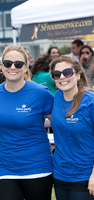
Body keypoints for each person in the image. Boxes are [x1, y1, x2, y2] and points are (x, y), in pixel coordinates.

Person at [0, 45, 54, 200]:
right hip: (6, 167)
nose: (13, 67)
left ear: (25, 67)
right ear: (2, 66)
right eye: (8, 63)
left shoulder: (40, 92)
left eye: (18, 64)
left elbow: (59, 124)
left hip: (37, 166)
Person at [50, 55, 94, 200]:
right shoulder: (56, 97)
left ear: (78, 75)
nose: (62, 77)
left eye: (67, 72)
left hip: (85, 176)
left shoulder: (90, 101)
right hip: (60, 175)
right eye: (57, 74)